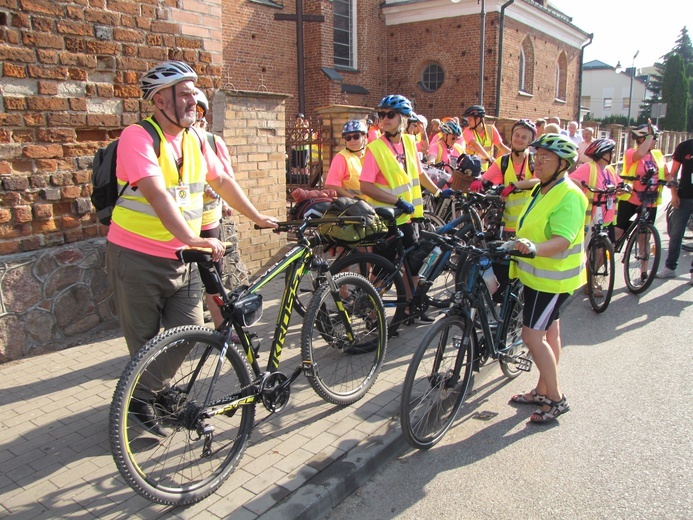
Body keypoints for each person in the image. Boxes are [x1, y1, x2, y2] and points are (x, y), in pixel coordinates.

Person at [107, 60, 277, 435]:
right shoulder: (138, 137)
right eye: (183, 93)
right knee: (144, 341)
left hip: (182, 258)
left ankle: (144, 393)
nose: (191, 99)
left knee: (188, 332)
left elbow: (224, 182)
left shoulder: (197, 139)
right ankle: (144, 401)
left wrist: (257, 215)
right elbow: (156, 193)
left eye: (191, 92)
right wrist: (193, 237)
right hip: (136, 257)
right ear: (159, 100)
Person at [507, 133, 587, 423]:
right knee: (550, 333)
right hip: (537, 276)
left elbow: (562, 240)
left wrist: (534, 247)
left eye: (545, 158)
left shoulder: (570, 195)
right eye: (536, 156)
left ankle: (556, 398)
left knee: (532, 336)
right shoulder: (542, 188)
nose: (537, 162)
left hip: (550, 280)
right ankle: (542, 390)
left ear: (562, 165)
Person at [360, 95, 453, 310]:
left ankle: (412, 305)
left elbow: (418, 173)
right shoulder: (376, 148)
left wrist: (438, 192)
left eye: (390, 115)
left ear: (403, 118)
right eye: (381, 115)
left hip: (409, 217)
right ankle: (371, 313)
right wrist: (397, 201)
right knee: (383, 268)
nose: (384, 118)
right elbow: (366, 186)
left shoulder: (410, 142)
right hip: (387, 218)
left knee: (413, 263)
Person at [193, 88, 235, 328]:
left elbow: (226, 179)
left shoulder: (212, 142)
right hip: (175, 225)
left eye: (199, 110)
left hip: (207, 220)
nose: (194, 116)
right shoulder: (171, 143)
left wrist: (223, 200)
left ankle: (221, 329)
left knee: (213, 278)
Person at [569, 139, 628, 295]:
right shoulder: (589, 168)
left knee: (605, 250)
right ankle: (587, 280)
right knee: (588, 250)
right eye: (610, 152)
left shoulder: (609, 170)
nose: (613, 155)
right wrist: (581, 187)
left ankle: (591, 277)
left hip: (607, 218)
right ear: (603, 154)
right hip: (591, 218)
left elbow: (619, 184)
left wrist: (623, 188)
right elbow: (569, 181)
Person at [615, 123, 667, 242]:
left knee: (645, 236)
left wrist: (673, 182)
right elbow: (640, 154)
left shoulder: (658, 155)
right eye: (654, 138)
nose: (656, 141)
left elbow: (666, 173)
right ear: (643, 139)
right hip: (631, 198)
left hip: (650, 200)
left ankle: (644, 261)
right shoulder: (631, 152)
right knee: (618, 231)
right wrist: (650, 136)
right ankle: (607, 254)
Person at [656, 138, 693, 284]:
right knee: (676, 234)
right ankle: (670, 268)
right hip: (683, 198)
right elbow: (673, 174)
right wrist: (673, 194)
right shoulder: (685, 147)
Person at [324, 119, 368, 198]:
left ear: (364, 136)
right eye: (348, 138)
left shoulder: (370, 155)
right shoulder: (341, 158)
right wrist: (354, 200)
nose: (352, 140)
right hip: (354, 207)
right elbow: (331, 185)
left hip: (373, 205)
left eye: (356, 136)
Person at [462, 105, 510, 171]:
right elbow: (475, 144)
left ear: (478, 119)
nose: (468, 122)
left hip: (484, 171)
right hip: (470, 170)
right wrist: (488, 157)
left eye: (470, 119)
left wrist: (514, 155)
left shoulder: (491, 130)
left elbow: (501, 146)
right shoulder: (467, 131)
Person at [291, 113, 310, 180]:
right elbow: (293, 137)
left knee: (303, 165)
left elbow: (304, 138)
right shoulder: (294, 128)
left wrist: (297, 140)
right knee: (295, 164)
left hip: (303, 148)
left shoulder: (305, 128)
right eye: (298, 118)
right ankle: (296, 179)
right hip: (296, 149)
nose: (299, 120)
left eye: (301, 118)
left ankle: (306, 179)